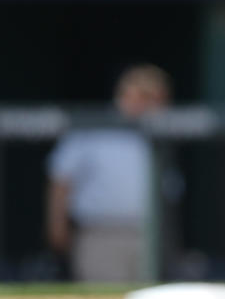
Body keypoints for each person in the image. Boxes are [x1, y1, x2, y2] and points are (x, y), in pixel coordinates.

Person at [46, 65, 170, 282]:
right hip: (100, 233)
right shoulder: (93, 128)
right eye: (141, 95)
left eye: (153, 97)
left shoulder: (160, 133)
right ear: (123, 94)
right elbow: (61, 179)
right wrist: (57, 225)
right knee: (102, 296)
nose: (146, 103)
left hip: (149, 233)